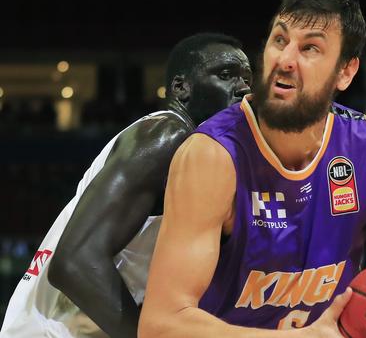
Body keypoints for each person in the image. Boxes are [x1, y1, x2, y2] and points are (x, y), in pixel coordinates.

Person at [139, 0, 366, 338]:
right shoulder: (212, 156)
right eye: (280, 40)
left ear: (345, 71)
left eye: (310, 48)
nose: (285, 59)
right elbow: (161, 325)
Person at [0, 32, 252, 338]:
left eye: (247, 78)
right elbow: (75, 262)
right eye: (226, 75)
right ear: (181, 88)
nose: (242, 88)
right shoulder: (166, 135)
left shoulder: (203, 153)